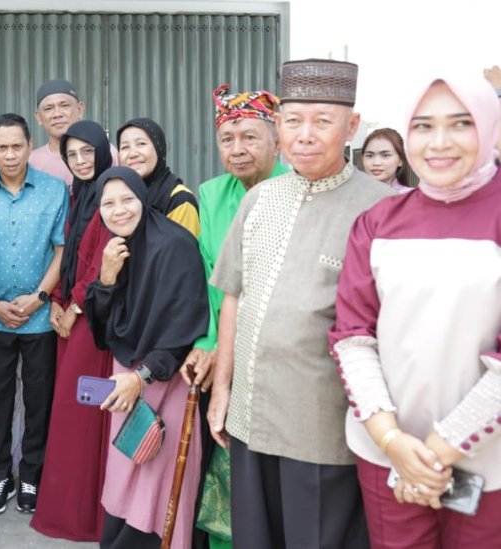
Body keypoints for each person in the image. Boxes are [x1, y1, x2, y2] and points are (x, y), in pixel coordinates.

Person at [207, 59, 395, 549]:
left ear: (352, 127)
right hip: (249, 415)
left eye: (322, 121)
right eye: (293, 121)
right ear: (279, 126)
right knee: (254, 537)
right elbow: (233, 295)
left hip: (322, 426)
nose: (305, 135)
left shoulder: (381, 209)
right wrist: (222, 389)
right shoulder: (258, 200)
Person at [331, 76, 501, 548]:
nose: (439, 142)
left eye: (461, 124)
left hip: (489, 465)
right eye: (423, 126)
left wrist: (436, 452)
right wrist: (391, 441)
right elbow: (352, 336)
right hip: (388, 456)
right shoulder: (377, 222)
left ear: (489, 127)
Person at [184, 83, 288, 549]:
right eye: (227, 139)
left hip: (278, 355)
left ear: (276, 141)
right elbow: (210, 275)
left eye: (249, 137)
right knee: (227, 469)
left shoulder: (293, 189)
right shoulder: (211, 193)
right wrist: (208, 344)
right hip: (225, 351)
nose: (237, 149)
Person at [86, 166, 209, 549]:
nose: (118, 210)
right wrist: (107, 277)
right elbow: (103, 332)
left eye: (127, 199)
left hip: (164, 378)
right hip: (126, 375)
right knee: (127, 470)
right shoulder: (117, 248)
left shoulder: (175, 246)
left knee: (159, 472)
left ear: (143, 199)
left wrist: (142, 377)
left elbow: (185, 325)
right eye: (108, 203)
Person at [0, 113, 69, 514]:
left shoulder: (54, 190)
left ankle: (31, 474)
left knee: (40, 399)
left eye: (17, 146)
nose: (10, 155)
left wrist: (40, 297)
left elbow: (62, 249)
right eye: (2, 148)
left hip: (39, 317)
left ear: (30, 147)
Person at [32, 120, 116, 541]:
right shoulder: (79, 195)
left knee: (82, 410)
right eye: (72, 154)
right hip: (70, 314)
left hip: (94, 320)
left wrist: (75, 307)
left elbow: (104, 262)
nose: (81, 161)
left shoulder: (110, 194)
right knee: (71, 410)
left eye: (88, 152)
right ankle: (72, 509)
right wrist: (57, 300)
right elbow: (70, 257)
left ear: (102, 151)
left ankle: (86, 515)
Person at [117, 118, 200, 236]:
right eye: (125, 147)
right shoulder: (120, 198)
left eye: (141, 144)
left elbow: (183, 246)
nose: (133, 154)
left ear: (158, 148)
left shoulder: (179, 200)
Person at [30, 79, 87, 184]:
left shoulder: (104, 153)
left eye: (65, 105)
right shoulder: (31, 162)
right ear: (38, 117)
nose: (57, 114)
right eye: (48, 108)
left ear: (80, 109)